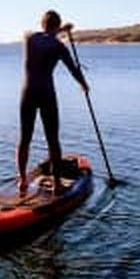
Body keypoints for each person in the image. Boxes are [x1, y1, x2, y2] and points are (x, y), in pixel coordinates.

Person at [17, 10, 89, 194]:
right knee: (53, 140)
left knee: (25, 138)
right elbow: (73, 70)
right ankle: (57, 183)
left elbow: (44, 36)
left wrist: (60, 30)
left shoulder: (28, 38)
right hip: (46, 94)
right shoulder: (59, 47)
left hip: (27, 94)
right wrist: (84, 85)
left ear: (42, 25)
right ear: (57, 27)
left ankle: (23, 180)